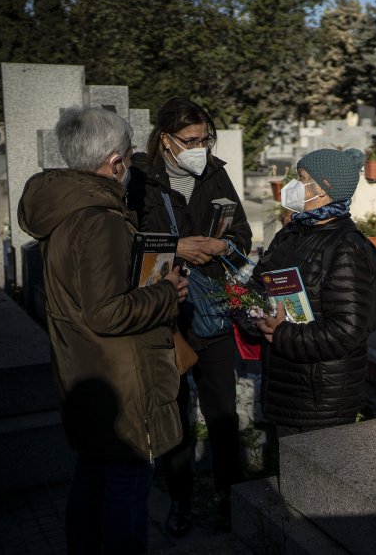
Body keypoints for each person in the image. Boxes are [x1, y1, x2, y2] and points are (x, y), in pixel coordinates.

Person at [18, 107, 188, 554]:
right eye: (130, 157)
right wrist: (168, 291)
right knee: (124, 497)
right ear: (116, 162)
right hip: (123, 384)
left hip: (85, 373)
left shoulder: (63, 211)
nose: (130, 166)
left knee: (92, 480)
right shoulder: (101, 219)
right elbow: (107, 312)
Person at [128, 97, 251, 536]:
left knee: (222, 412)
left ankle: (230, 497)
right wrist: (178, 247)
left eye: (206, 138)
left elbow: (242, 234)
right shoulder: (139, 178)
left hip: (211, 310)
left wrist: (220, 246)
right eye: (190, 140)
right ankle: (179, 500)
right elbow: (127, 242)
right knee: (173, 412)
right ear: (166, 139)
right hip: (164, 315)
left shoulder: (215, 171)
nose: (200, 147)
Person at [253, 148, 376, 435]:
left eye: (301, 178)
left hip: (320, 395)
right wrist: (253, 310)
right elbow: (261, 280)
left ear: (323, 189)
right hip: (285, 383)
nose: (292, 185)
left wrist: (282, 334)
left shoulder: (346, 247)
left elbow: (347, 329)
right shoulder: (291, 233)